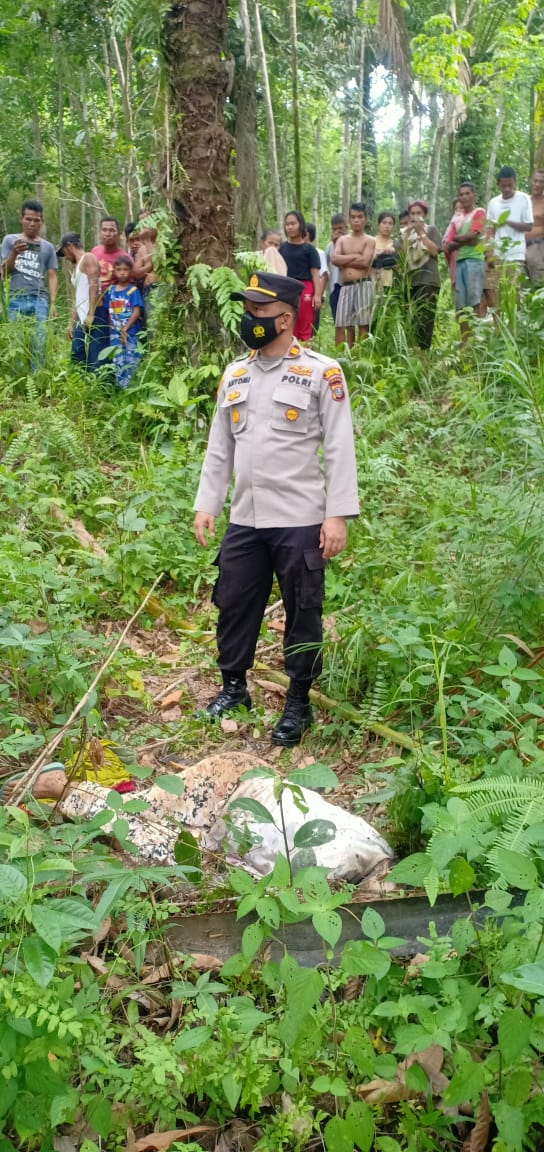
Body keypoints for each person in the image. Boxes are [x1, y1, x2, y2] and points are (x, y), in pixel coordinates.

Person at [193, 271, 359, 746]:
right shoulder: (236, 373)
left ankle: (298, 702)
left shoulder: (321, 372)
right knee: (233, 602)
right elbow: (219, 446)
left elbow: (339, 446)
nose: (249, 320)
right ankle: (233, 689)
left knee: (303, 609)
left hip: (300, 518)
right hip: (246, 518)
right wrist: (208, 504)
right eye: (247, 312)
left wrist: (337, 514)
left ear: (285, 318)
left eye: (258, 313)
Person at [0, 754, 393, 884]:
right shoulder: (349, 860)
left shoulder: (369, 850)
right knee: (142, 821)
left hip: (237, 804)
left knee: (146, 829)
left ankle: (65, 794)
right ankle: (63, 787)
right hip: (240, 792)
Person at [0, 199, 58, 368]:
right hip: (15, 298)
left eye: (36, 220)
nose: (32, 224)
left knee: (39, 342)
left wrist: (53, 303)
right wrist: (14, 254)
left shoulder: (47, 247)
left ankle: (37, 380)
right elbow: (5, 271)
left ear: (42, 221)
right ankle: (19, 383)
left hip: (39, 299)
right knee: (16, 343)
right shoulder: (10, 240)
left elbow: (52, 274)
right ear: (22, 219)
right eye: (29, 219)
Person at [443, 182, 486, 341]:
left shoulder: (479, 212)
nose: (464, 197)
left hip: (475, 261)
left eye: (468, 193)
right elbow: (449, 243)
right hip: (459, 263)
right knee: (460, 306)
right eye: (461, 194)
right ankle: (465, 343)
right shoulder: (457, 218)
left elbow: (473, 235)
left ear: (474, 195)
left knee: (475, 301)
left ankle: (476, 341)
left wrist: (461, 239)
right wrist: (463, 239)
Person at [332, 201, 376, 346]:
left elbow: (365, 262)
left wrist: (344, 260)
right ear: (349, 219)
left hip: (363, 284)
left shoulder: (369, 240)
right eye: (353, 217)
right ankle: (342, 358)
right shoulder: (342, 240)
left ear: (366, 219)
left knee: (363, 323)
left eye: (360, 217)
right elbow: (334, 259)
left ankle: (360, 358)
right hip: (345, 286)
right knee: (340, 324)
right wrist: (355, 256)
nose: (356, 220)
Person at [56, 233, 101, 371]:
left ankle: (95, 389)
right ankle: (82, 387)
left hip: (92, 316)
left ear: (69, 246)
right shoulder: (77, 266)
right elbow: (79, 297)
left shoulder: (88, 257)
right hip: (81, 318)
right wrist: (72, 323)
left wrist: (91, 314)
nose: (66, 257)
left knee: (94, 359)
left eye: (64, 252)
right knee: (77, 356)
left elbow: (94, 285)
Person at [403, 200, 442, 350]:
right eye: (412, 213)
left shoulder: (431, 230)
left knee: (426, 320)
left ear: (424, 214)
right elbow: (402, 256)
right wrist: (408, 233)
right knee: (410, 319)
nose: (415, 217)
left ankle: (425, 354)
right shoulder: (405, 233)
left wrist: (421, 234)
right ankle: (413, 352)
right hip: (410, 282)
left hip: (428, 281)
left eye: (418, 213)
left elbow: (434, 251)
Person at [486, 166, 533, 289]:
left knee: (514, 291)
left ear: (515, 182)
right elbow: (490, 230)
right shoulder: (493, 203)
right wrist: (489, 254)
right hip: (498, 254)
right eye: (503, 186)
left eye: (510, 185)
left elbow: (529, 226)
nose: (507, 189)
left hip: (516, 254)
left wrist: (506, 221)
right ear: (498, 184)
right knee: (498, 291)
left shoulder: (524, 199)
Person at [91, 217, 129, 364]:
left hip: (117, 310)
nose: (108, 233)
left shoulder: (124, 256)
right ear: (100, 232)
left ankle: (117, 382)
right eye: (104, 230)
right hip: (98, 308)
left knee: (116, 348)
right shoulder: (95, 252)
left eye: (112, 230)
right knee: (97, 348)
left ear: (118, 234)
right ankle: (97, 382)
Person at [279, 211, 322, 341]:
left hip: (305, 289)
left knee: (305, 323)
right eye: (287, 224)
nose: (290, 227)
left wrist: (318, 295)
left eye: (293, 223)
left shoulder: (310, 250)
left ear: (301, 225)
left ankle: (306, 356)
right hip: (286, 288)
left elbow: (315, 274)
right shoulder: (281, 248)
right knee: (287, 322)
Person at [104, 255, 144, 388]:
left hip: (131, 332)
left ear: (130, 271)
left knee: (132, 358)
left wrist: (125, 329)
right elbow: (108, 311)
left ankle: (133, 388)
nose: (122, 272)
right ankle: (122, 389)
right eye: (119, 269)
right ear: (114, 271)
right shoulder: (110, 290)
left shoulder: (133, 291)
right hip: (115, 333)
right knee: (118, 359)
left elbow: (136, 312)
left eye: (125, 269)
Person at [305, 223, 328, 332]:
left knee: (312, 326)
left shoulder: (319, 253)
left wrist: (318, 295)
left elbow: (324, 275)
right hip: (301, 295)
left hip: (314, 295)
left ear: (307, 235)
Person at [325, 214, 348, 323]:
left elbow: (343, 264)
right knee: (337, 322)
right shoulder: (330, 246)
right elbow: (325, 267)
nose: (338, 232)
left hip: (349, 286)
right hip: (334, 288)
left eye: (340, 228)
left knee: (349, 322)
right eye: (335, 229)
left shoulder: (352, 242)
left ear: (346, 228)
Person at [371, 211, 398, 293]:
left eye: (390, 223)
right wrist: (381, 252)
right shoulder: (371, 241)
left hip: (391, 283)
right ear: (378, 225)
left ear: (393, 226)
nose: (387, 226)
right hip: (374, 282)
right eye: (384, 223)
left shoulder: (395, 243)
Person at [525, 170, 544, 285]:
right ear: (530, 182)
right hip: (520, 249)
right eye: (535, 181)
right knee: (521, 288)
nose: (537, 184)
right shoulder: (524, 200)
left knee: (538, 284)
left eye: (541, 182)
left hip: (538, 248)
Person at [442, 197, 463, 288]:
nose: (458, 211)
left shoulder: (471, 219)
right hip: (454, 256)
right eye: (456, 208)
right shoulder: (452, 223)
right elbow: (446, 240)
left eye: (461, 208)